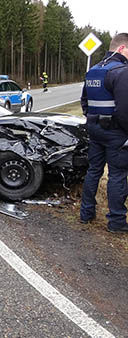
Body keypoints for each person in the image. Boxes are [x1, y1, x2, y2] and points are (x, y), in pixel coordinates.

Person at [80, 33, 128, 233]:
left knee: (94, 171)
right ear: (122, 49)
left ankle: (86, 213)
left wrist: (93, 120)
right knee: (117, 175)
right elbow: (125, 110)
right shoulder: (121, 71)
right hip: (116, 132)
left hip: (95, 130)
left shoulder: (93, 71)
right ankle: (116, 222)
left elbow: (84, 102)